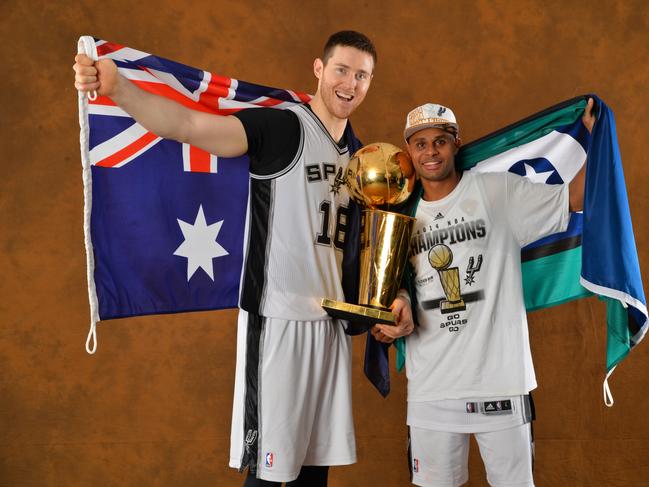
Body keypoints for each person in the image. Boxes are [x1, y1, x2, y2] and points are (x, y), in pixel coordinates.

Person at [74, 31, 377, 486]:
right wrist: (117, 87)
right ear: (319, 69)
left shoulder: (359, 154)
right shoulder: (283, 127)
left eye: (362, 75)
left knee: (314, 475)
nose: (349, 83)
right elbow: (188, 126)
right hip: (279, 322)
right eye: (341, 70)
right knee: (272, 476)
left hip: (331, 328)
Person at [371, 99, 595, 487]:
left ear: (457, 143)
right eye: (420, 143)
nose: (430, 151)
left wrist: (596, 137)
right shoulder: (398, 216)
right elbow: (396, 291)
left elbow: (574, 199)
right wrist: (393, 316)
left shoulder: (496, 192)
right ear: (408, 151)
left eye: (440, 141)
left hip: (501, 382)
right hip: (431, 389)